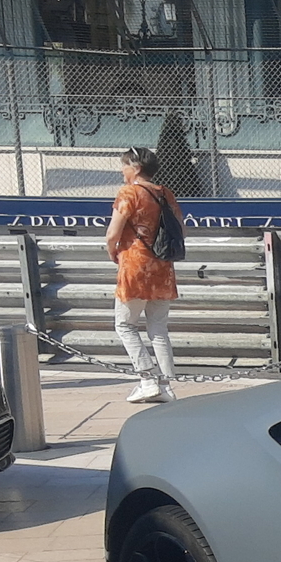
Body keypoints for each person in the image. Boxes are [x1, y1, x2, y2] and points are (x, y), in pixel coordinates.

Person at [104, 145, 183, 403]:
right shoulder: (165, 194)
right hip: (162, 268)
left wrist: (112, 251)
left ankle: (147, 379)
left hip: (135, 267)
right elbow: (181, 229)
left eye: (124, 164)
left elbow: (112, 233)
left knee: (125, 325)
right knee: (158, 328)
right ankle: (167, 386)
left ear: (135, 168)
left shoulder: (128, 193)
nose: (121, 170)